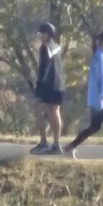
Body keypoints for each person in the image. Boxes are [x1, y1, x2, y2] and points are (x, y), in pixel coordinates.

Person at [65, 30, 103, 160]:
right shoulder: (99, 58)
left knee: (94, 127)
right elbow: (100, 81)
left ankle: (70, 147)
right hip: (101, 100)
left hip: (102, 100)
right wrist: (101, 100)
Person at [29, 21, 65, 156]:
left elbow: (45, 67)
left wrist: (39, 84)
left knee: (38, 109)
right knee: (55, 111)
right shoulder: (57, 47)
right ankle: (56, 144)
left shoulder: (45, 47)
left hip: (48, 84)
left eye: (41, 33)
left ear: (47, 34)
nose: (39, 36)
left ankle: (44, 142)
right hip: (59, 84)